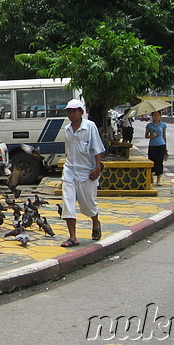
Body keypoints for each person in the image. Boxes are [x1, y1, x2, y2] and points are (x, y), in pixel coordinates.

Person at [60, 99, 104, 248]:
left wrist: (97, 168)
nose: (71, 114)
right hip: (70, 170)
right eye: (69, 112)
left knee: (88, 204)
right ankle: (72, 237)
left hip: (86, 171)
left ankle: (95, 222)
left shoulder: (89, 126)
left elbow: (97, 148)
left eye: (74, 111)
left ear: (80, 112)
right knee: (68, 202)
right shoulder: (67, 130)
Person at [145, 111, 168, 186]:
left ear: (160, 116)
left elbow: (164, 136)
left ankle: (158, 180)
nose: (156, 116)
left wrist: (166, 147)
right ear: (152, 116)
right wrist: (152, 136)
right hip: (152, 145)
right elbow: (146, 136)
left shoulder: (163, 125)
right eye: (154, 115)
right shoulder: (149, 125)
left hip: (161, 145)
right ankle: (151, 178)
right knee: (152, 161)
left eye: (157, 115)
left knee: (159, 162)